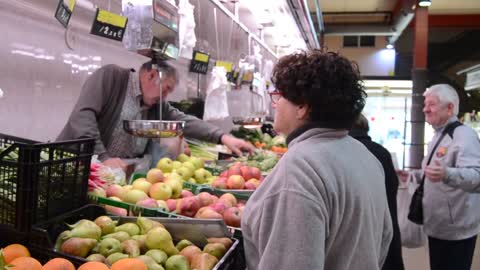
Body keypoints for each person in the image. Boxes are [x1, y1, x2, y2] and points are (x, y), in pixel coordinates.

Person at [241, 49, 393, 270]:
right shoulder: (366, 158)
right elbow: (383, 240)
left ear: (302, 106)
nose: (275, 104)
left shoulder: (299, 169)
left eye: (279, 96)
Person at [57, 61, 254, 171]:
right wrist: (102, 157)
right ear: (151, 76)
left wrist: (223, 137)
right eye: (166, 89)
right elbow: (83, 117)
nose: (166, 97)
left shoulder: (157, 105)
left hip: (112, 177)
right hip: (75, 168)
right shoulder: (112, 77)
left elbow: (183, 121)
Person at [398, 84, 480, 270]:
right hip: (438, 225)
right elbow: (434, 172)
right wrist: (414, 176)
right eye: (425, 104)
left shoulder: (464, 136)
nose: (425, 108)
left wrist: (447, 174)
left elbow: (477, 175)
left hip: (456, 229)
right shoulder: (439, 135)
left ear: (449, 107)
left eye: (432, 104)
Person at [350, 114, 404, 270]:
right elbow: (393, 188)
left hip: (360, 232)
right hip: (386, 222)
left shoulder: (344, 152)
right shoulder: (382, 152)